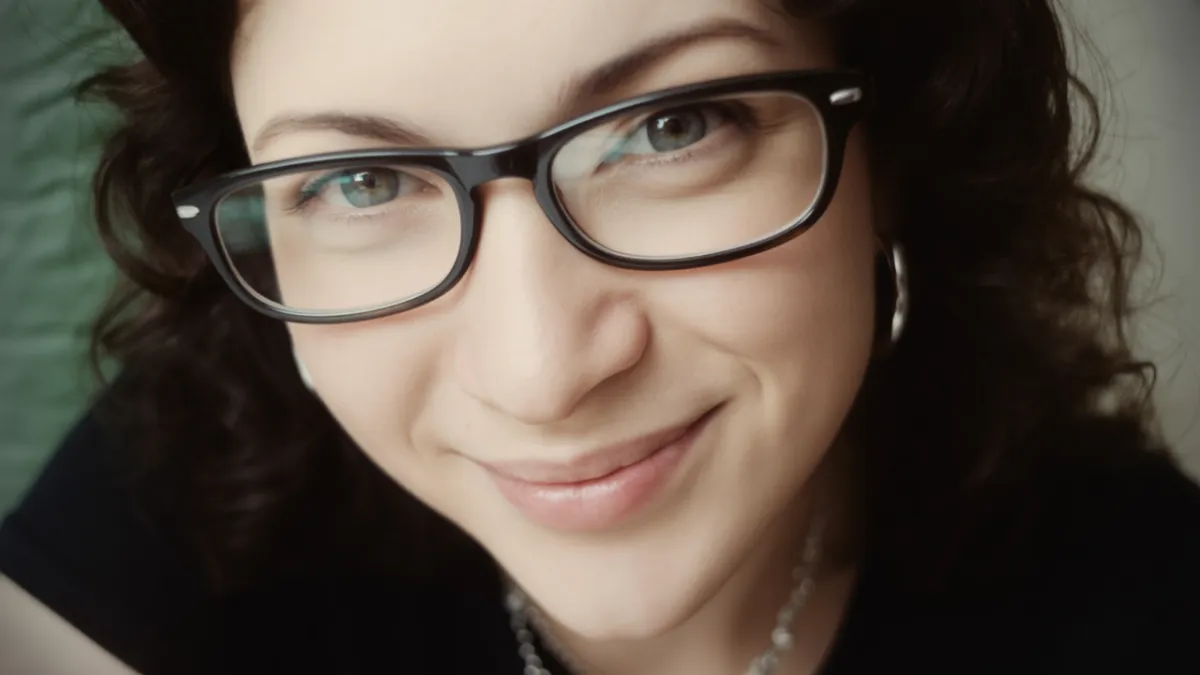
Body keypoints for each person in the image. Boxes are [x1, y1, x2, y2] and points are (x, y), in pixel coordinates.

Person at [2, 0, 1199, 672]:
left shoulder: (1134, 593)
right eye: (364, 182)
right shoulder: (189, 475)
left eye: (675, 127)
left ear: (888, 155)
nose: (544, 373)